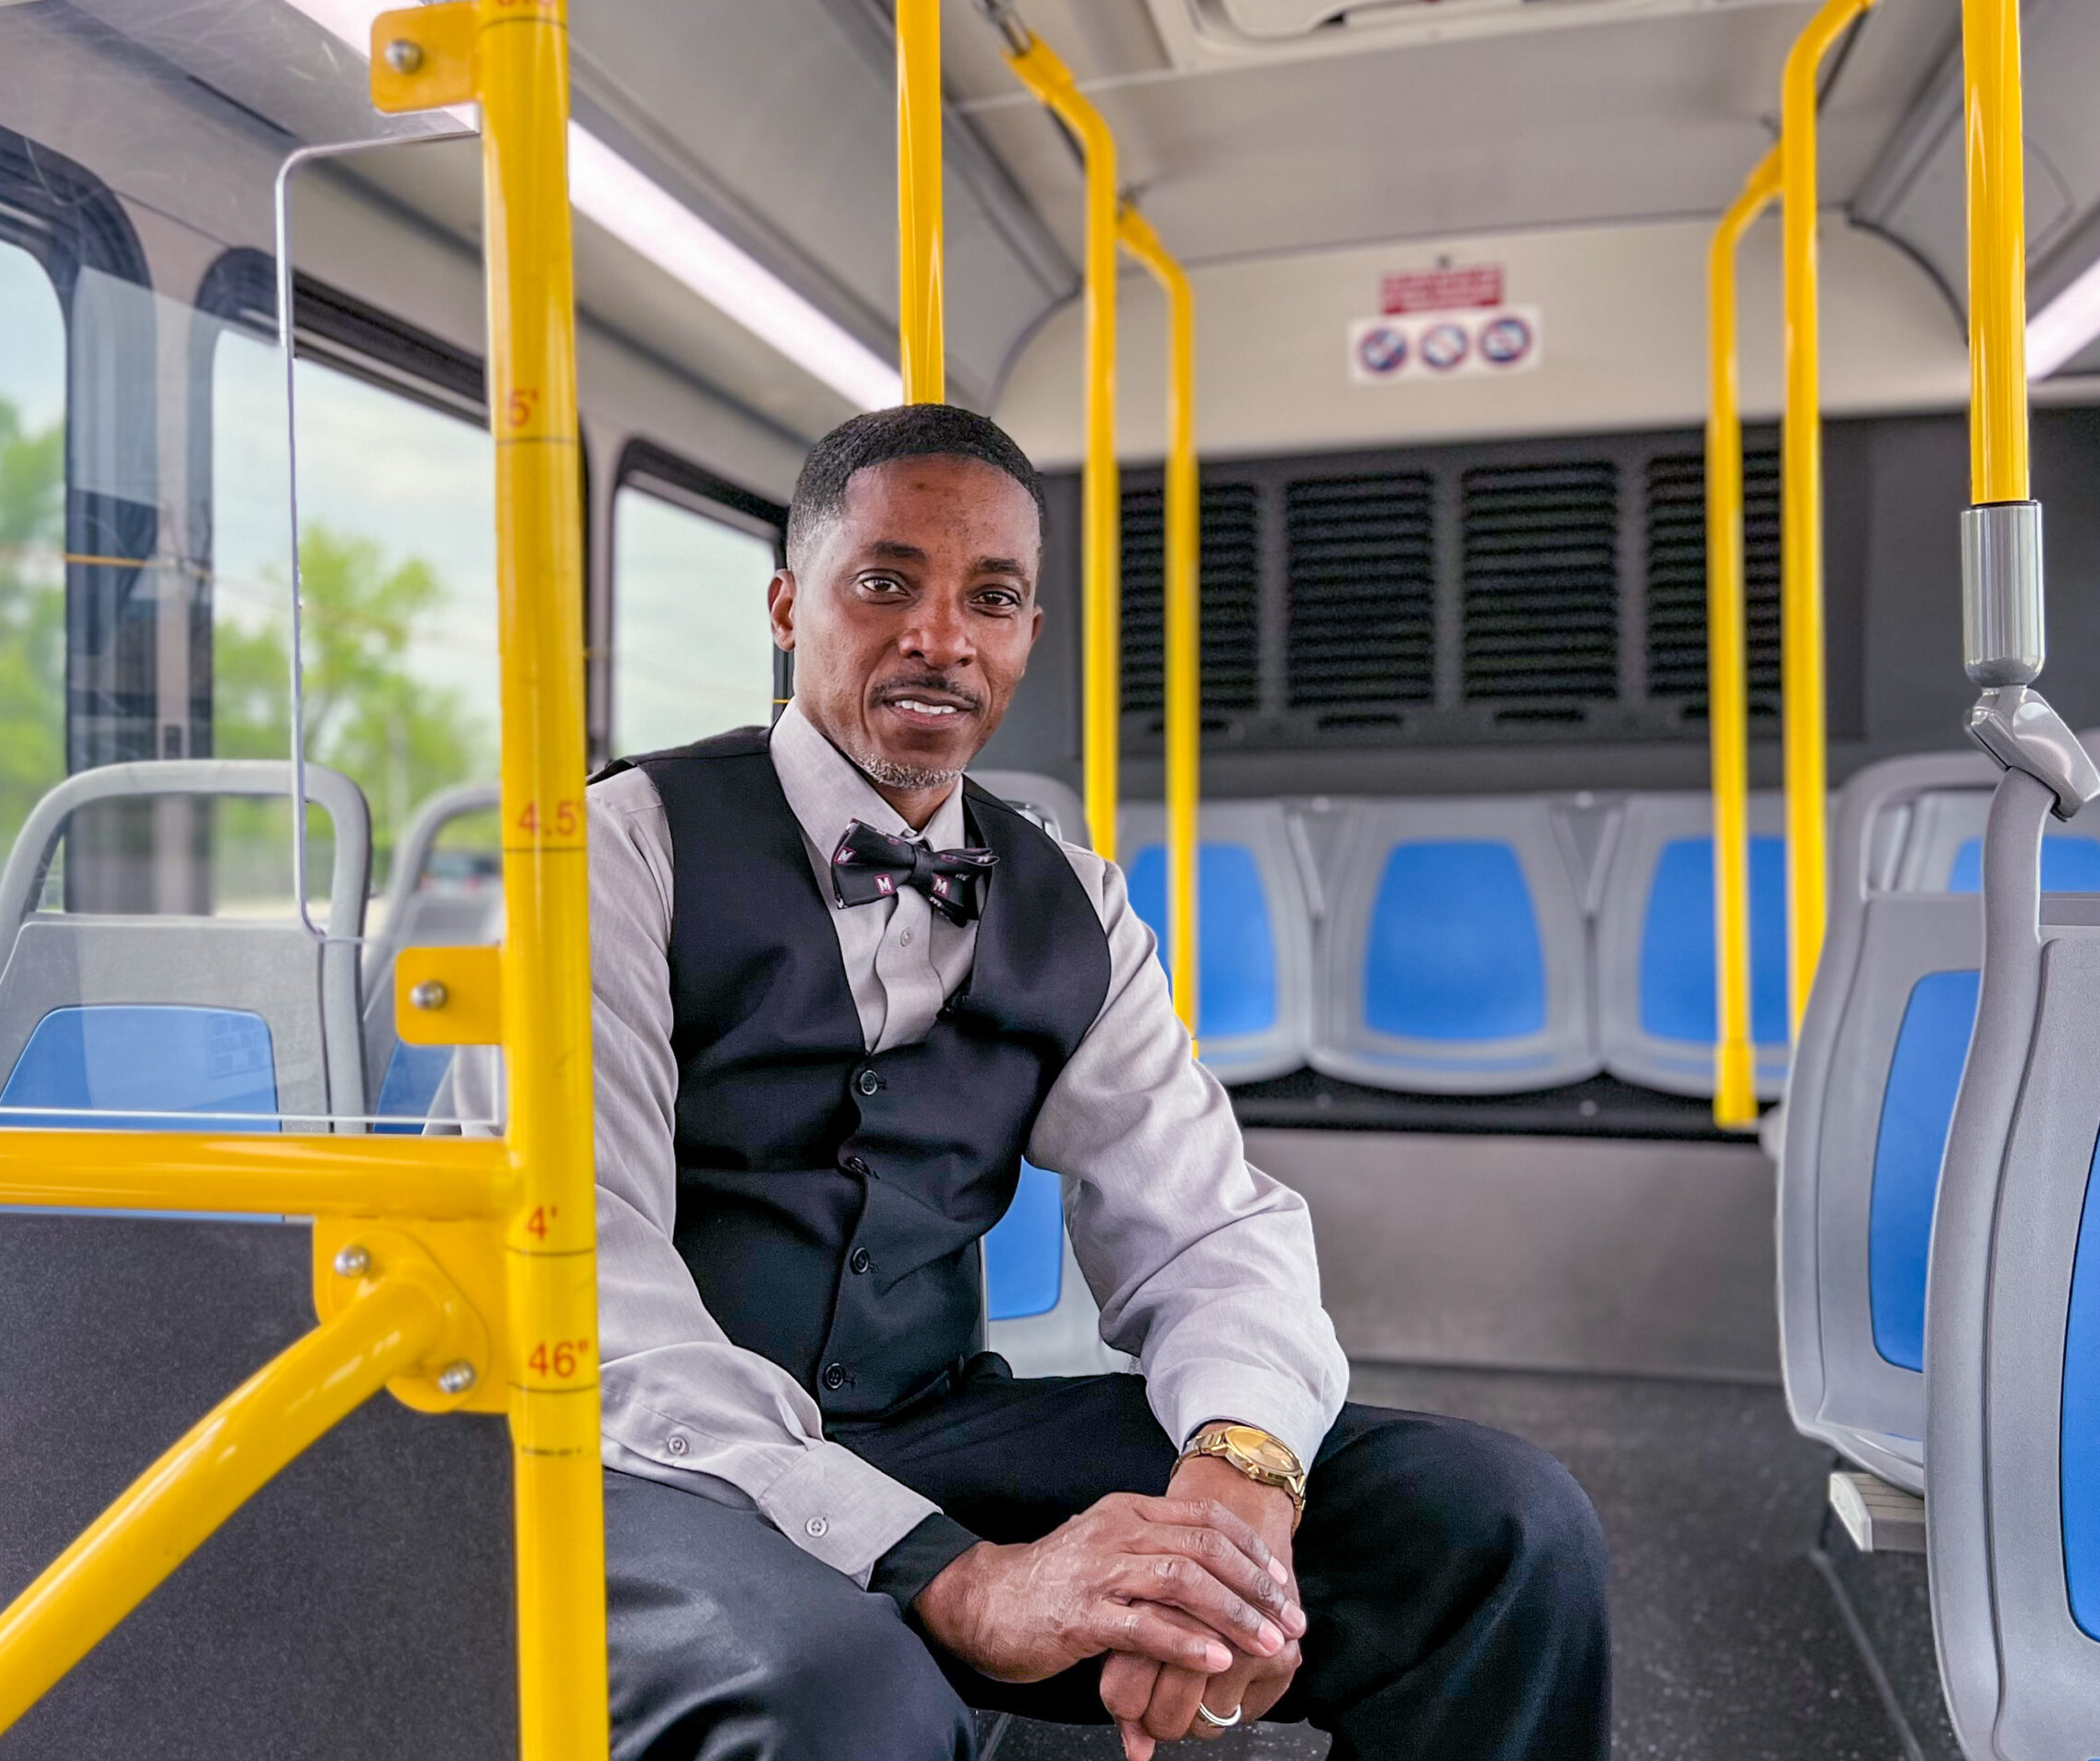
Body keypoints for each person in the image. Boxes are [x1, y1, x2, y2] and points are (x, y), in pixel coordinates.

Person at [440, 404, 1609, 1758]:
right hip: (645, 1463)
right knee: (851, 1693)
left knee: (1495, 1527)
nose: (942, 637)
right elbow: (591, 1289)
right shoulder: (613, 852)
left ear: (1028, 635)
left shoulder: (1075, 901)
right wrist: (951, 1573)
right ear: (788, 607)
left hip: (926, 1425)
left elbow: (1207, 1224)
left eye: (990, 599)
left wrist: (1240, 1473)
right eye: (886, 583)